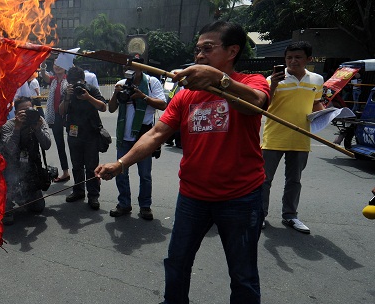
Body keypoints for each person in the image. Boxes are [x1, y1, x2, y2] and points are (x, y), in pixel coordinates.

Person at [96, 21, 269, 304]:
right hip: (193, 196)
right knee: (177, 262)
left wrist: (219, 80)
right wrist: (121, 163)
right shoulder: (185, 94)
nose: (199, 55)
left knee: (243, 274)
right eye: (197, 49)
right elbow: (157, 133)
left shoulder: (252, 82)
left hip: (240, 197)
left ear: (232, 51)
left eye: (208, 49)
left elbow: (257, 102)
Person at [261, 41, 324, 234]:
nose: (293, 61)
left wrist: (327, 114)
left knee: (294, 180)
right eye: (289, 57)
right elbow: (263, 103)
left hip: (301, 137)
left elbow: (316, 104)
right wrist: (273, 84)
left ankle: (290, 215)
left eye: (298, 57)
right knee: (264, 179)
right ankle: (259, 214)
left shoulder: (317, 80)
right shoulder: (272, 79)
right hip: (274, 136)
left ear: (309, 59)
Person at [107, 54, 166, 220]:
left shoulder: (152, 82)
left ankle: (145, 206)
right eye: (127, 67)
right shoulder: (121, 83)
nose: (130, 70)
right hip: (124, 137)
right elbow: (111, 109)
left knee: (145, 174)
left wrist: (143, 97)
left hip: (143, 137)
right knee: (121, 173)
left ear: (141, 68)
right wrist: (116, 94)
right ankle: (124, 204)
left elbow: (163, 104)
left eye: (133, 66)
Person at [0, 96, 52, 225]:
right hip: (11, 168)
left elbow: (46, 145)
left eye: (29, 109)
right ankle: (7, 204)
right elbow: (10, 149)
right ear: (16, 113)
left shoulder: (38, 121)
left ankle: (23, 197)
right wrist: (17, 128)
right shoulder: (8, 125)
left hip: (31, 167)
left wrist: (37, 129)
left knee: (38, 208)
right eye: (23, 110)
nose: (27, 113)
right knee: (8, 181)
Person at [61, 66, 107, 209]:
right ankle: (78, 191)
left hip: (91, 133)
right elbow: (61, 111)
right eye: (72, 82)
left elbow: (103, 107)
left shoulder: (91, 89)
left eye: (77, 81)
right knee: (76, 166)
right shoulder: (68, 92)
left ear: (83, 80)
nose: (76, 85)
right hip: (74, 133)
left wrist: (88, 97)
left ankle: (93, 195)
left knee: (92, 167)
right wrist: (67, 97)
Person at [40, 60, 70, 182]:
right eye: (55, 65)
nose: (57, 67)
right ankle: (65, 172)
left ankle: (79, 172)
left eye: (60, 64)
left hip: (69, 115)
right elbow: (44, 76)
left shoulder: (69, 79)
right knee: (60, 144)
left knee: (73, 144)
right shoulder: (53, 80)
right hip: (56, 116)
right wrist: (43, 65)